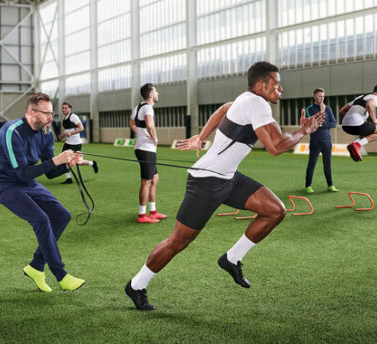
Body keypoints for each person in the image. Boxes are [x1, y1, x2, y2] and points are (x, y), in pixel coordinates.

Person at [124, 62, 325, 310]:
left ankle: (232, 258)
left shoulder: (244, 99)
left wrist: (201, 137)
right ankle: (136, 285)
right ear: (261, 85)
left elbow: (223, 109)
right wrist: (305, 130)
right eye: (276, 84)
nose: (280, 89)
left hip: (228, 178)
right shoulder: (257, 103)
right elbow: (275, 146)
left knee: (275, 210)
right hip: (206, 182)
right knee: (178, 241)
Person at [0, 93, 85, 292]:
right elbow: (22, 173)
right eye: (46, 113)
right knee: (41, 219)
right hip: (2, 183)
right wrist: (57, 160)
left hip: (26, 180)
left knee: (62, 215)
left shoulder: (46, 132)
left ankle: (36, 267)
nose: (50, 118)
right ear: (31, 112)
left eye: (52, 113)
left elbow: (49, 172)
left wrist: (68, 164)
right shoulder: (11, 131)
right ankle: (61, 275)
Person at [129, 83, 166, 224]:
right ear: (150, 94)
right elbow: (150, 125)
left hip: (145, 148)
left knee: (154, 179)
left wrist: (141, 135)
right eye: (156, 92)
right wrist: (154, 137)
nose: (157, 94)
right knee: (146, 182)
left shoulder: (138, 107)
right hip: (145, 149)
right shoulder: (148, 108)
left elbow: (131, 123)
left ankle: (153, 211)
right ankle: (142, 215)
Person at [339, 85, 377, 162]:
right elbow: (369, 104)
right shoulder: (376, 98)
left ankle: (354, 145)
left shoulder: (359, 97)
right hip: (356, 124)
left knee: (365, 133)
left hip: (345, 126)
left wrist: (350, 118)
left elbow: (342, 111)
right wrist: (374, 119)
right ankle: (357, 144)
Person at [304, 88, 338, 193]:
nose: (322, 98)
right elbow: (312, 123)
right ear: (314, 97)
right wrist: (321, 112)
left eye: (323, 96)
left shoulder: (328, 108)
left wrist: (321, 124)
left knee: (327, 164)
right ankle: (308, 186)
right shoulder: (309, 109)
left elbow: (334, 123)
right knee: (312, 164)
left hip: (327, 141)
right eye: (320, 96)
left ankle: (330, 185)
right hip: (315, 141)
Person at [57, 102, 98, 184]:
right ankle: (69, 179)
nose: (64, 109)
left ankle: (92, 163)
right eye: (63, 108)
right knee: (63, 160)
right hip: (68, 143)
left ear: (70, 109)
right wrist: (62, 136)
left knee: (78, 162)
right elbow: (67, 131)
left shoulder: (73, 116)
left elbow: (81, 128)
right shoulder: (64, 118)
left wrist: (71, 133)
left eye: (66, 108)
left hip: (75, 144)